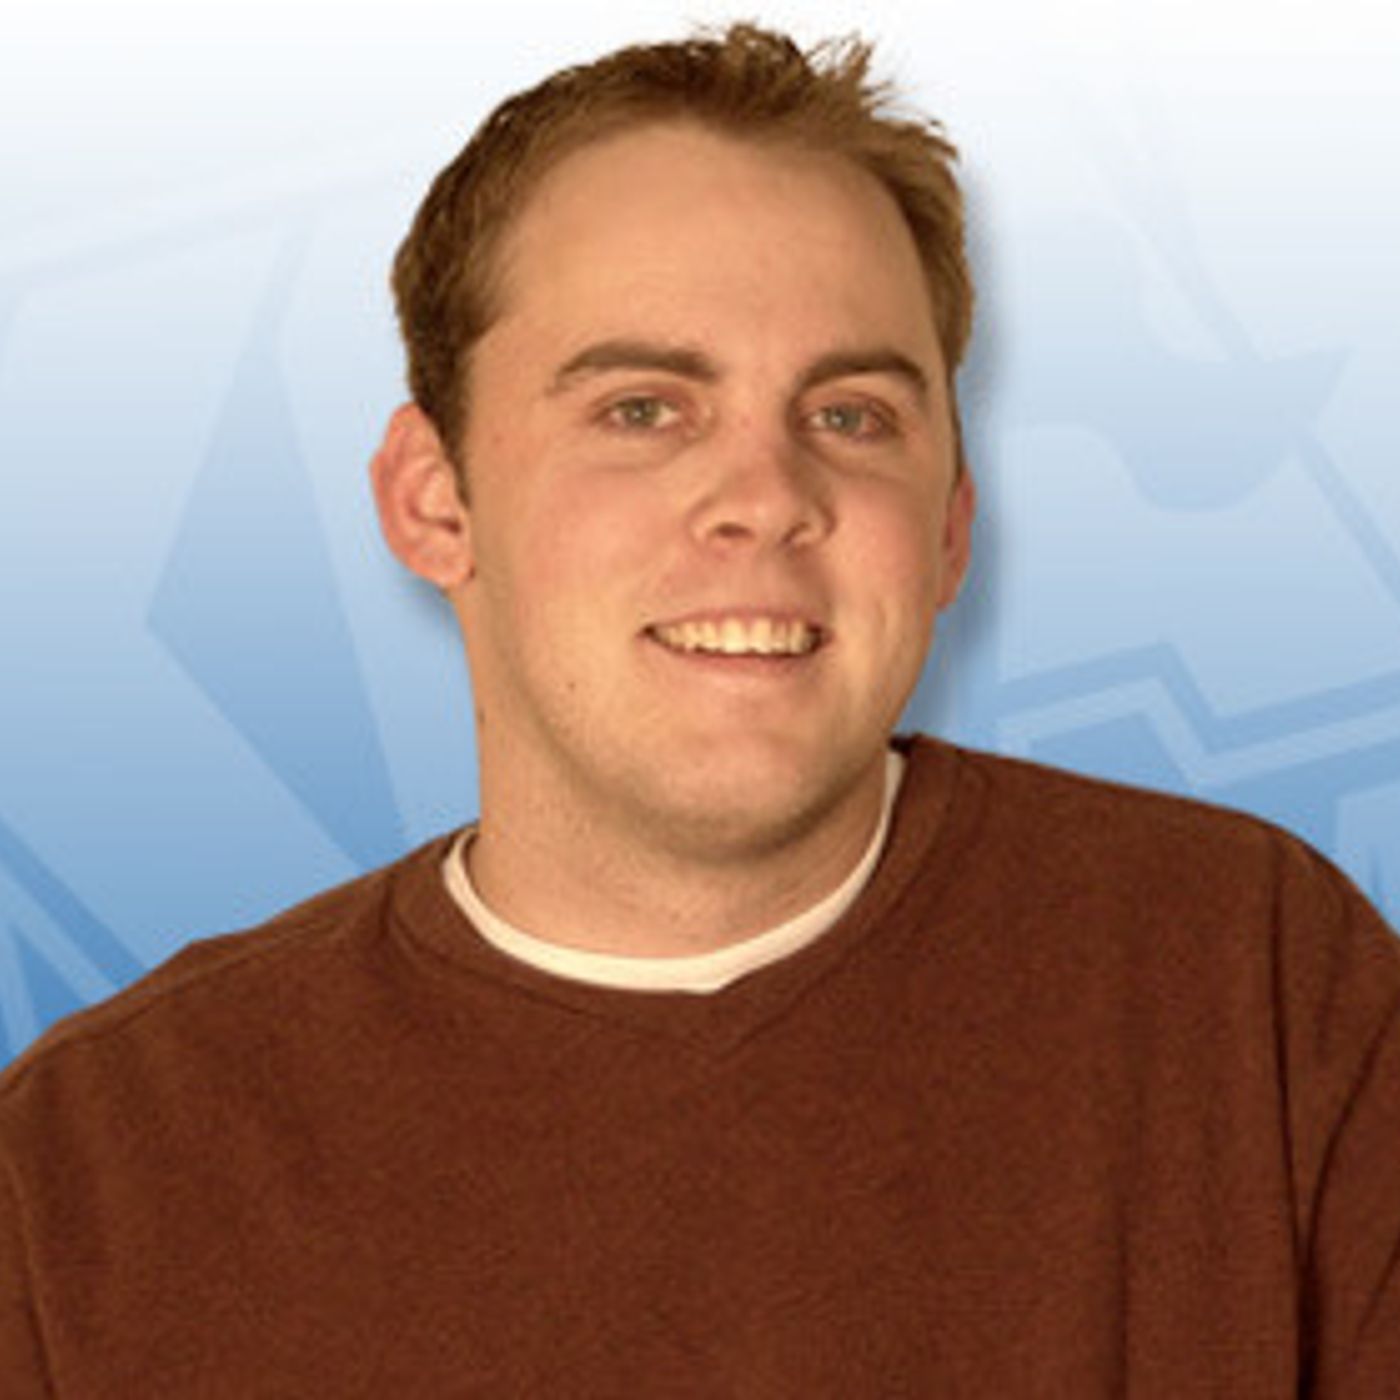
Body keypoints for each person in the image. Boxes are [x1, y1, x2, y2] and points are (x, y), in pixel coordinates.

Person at [2, 22, 1397, 1396]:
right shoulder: (89, 1170)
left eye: (850, 415)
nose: (768, 500)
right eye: (643, 409)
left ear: (950, 529)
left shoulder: (1257, 985)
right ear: (434, 503)